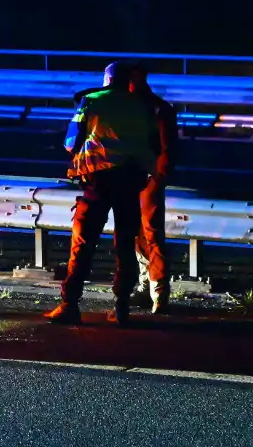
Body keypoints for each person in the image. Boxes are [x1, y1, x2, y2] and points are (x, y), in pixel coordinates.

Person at [46, 61, 159, 326]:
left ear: (106, 79)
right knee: (125, 245)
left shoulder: (90, 101)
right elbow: (154, 144)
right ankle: (121, 307)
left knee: (83, 244)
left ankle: (69, 305)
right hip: (130, 181)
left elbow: (70, 143)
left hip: (96, 182)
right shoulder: (142, 106)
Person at [70, 62, 178, 315]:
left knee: (142, 234)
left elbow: (161, 146)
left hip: (133, 177)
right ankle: (142, 291)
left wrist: (156, 176)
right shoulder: (146, 106)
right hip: (138, 176)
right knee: (135, 237)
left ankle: (154, 291)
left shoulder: (146, 107)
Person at [128, 62, 178, 314]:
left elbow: (167, 149)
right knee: (137, 232)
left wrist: (156, 177)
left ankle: (158, 290)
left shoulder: (156, 109)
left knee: (150, 231)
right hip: (131, 176)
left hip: (146, 178)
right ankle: (146, 285)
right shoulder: (137, 106)